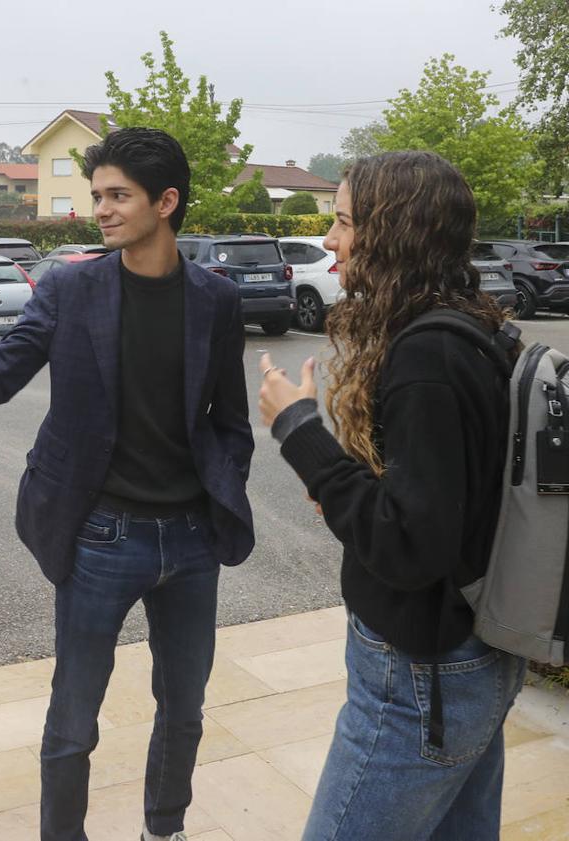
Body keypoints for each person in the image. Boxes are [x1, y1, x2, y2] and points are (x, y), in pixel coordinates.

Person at [0, 127, 254, 841]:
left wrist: (221, 495)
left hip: (190, 540)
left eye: (118, 195)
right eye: (97, 195)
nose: (101, 210)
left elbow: (230, 422)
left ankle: (164, 828)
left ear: (167, 201)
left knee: (184, 708)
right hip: (101, 533)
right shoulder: (71, 286)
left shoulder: (216, 299)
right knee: (74, 718)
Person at [257, 150, 527, 841]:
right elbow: (449, 498)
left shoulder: (425, 357)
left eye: (343, 221)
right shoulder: (473, 327)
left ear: (392, 232)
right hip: (475, 656)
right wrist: (357, 489)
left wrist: (297, 430)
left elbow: (409, 544)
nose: (329, 240)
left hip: (422, 680)